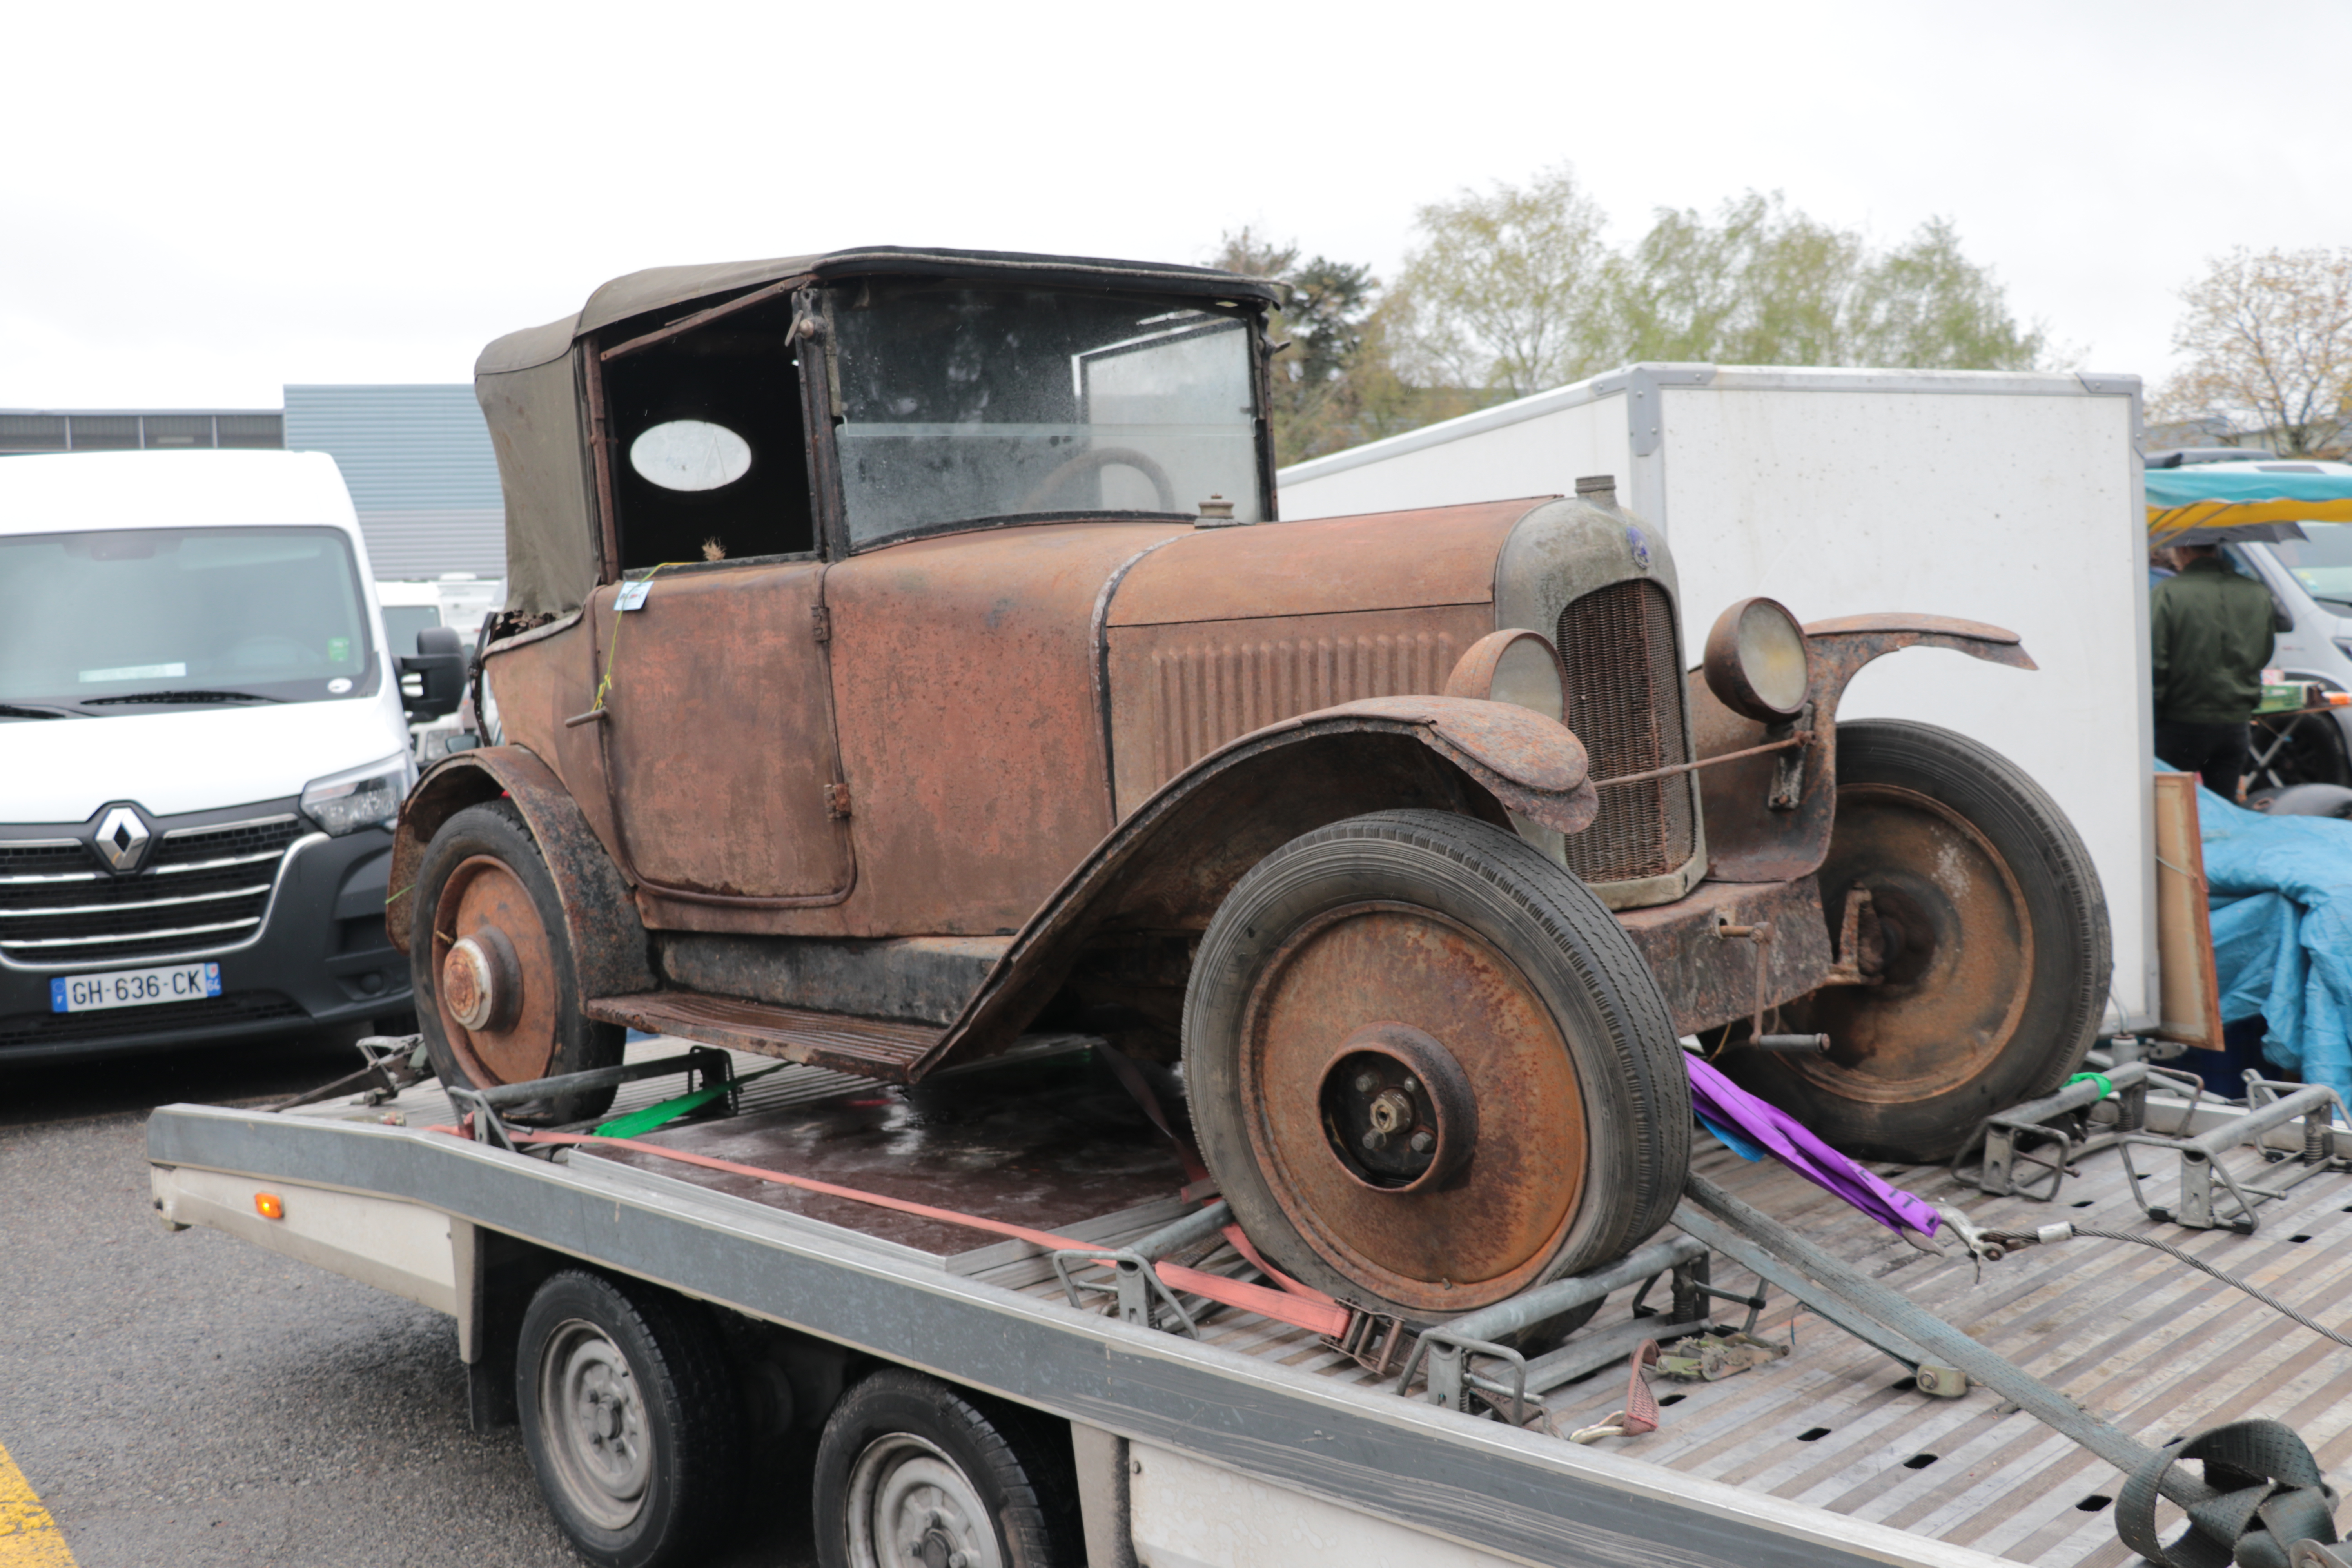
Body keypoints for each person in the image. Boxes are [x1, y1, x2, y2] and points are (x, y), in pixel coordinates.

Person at [2151, 542, 2276, 798]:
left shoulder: (2168, 592)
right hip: (2235, 722)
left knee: (2176, 813)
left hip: (2181, 721)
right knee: (2226, 807)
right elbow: (2264, 652)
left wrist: (2154, 714)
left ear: (2183, 550)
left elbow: (2155, 662)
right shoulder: (2255, 592)